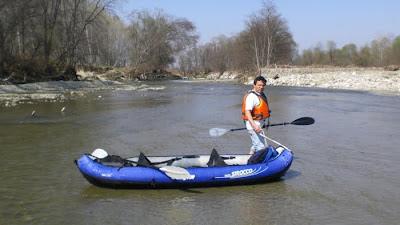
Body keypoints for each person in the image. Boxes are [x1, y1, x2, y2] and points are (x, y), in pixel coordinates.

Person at [241, 76, 271, 154]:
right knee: (261, 147)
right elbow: (247, 112)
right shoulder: (252, 97)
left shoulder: (260, 94)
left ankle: (250, 157)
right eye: (259, 85)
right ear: (254, 85)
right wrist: (254, 126)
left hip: (259, 125)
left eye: (263, 85)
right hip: (253, 126)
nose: (261, 87)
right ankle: (259, 164)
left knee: (255, 145)